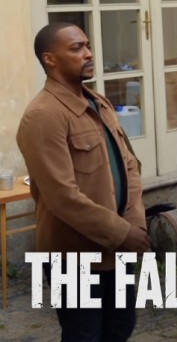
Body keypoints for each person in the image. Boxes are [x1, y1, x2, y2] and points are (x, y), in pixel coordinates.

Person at [16, 22, 150, 342]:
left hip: (117, 249)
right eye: (77, 48)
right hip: (73, 257)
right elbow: (62, 196)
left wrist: (134, 224)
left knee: (120, 328)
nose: (88, 53)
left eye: (87, 45)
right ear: (50, 59)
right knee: (84, 335)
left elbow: (129, 166)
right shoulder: (43, 115)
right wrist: (122, 234)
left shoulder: (99, 103)